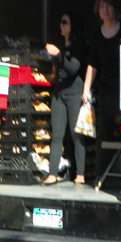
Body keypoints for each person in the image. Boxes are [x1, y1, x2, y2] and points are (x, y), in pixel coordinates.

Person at [42, 13, 87, 185]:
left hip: (75, 94)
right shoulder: (60, 45)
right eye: (60, 22)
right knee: (57, 135)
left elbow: (73, 69)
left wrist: (59, 55)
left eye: (65, 22)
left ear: (72, 25)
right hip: (59, 94)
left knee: (76, 135)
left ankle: (80, 174)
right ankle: (52, 173)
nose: (61, 25)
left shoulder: (79, 46)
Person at [81, 0, 121, 183]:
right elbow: (93, 65)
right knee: (104, 131)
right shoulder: (97, 35)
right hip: (107, 89)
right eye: (102, 7)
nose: (105, 10)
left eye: (109, 6)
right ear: (98, 11)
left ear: (115, 9)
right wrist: (86, 90)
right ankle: (101, 175)